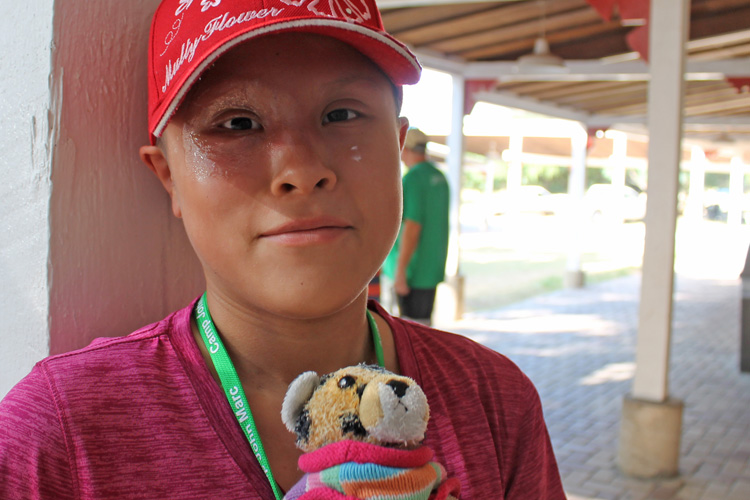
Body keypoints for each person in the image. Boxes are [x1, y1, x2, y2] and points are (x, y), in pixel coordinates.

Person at [0, 1, 565, 498]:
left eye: (341, 114)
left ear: (396, 146)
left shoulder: (493, 401)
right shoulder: (60, 433)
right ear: (168, 174)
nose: (302, 170)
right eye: (238, 123)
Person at [382, 128, 449, 326]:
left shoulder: (411, 180)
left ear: (404, 148)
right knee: (424, 328)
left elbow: (412, 227)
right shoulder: (440, 178)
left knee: (408, 334)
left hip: (411, 272)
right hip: (431, 270)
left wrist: (401, 271)